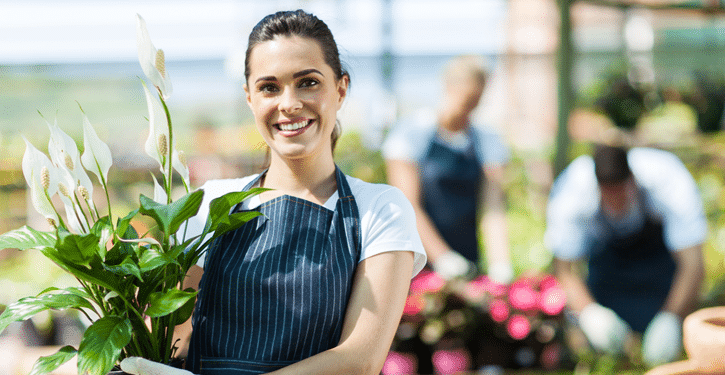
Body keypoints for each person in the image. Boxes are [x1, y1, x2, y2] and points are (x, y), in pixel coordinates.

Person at [121, 9, 426, 375]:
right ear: (250, 98)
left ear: (341, 89)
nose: (289, 103)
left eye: (308, 82)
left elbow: (359, 360)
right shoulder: (211, 204)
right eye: (269, 87)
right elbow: (174, 338)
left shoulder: (379, 209)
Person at [545, 143, 706, 368]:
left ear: (632, 180)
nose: (616, 202)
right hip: (607, 279)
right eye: (608, 195)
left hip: (659, 279)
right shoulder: (571, 191)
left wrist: (671, 317)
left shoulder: (669, 180)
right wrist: (590, 313)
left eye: (621, 193)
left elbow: (693, 264)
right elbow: (564, 269)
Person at [382, 55, 513, 284]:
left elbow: (492, 206)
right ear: (448, 87)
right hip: (417, 263)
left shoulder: (487, 140)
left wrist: (500, 262)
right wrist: (442, 257)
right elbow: (406, 204)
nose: (469, 109)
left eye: (476, 101)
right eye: (466, 99)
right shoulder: (411, 134)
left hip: (467, 258)